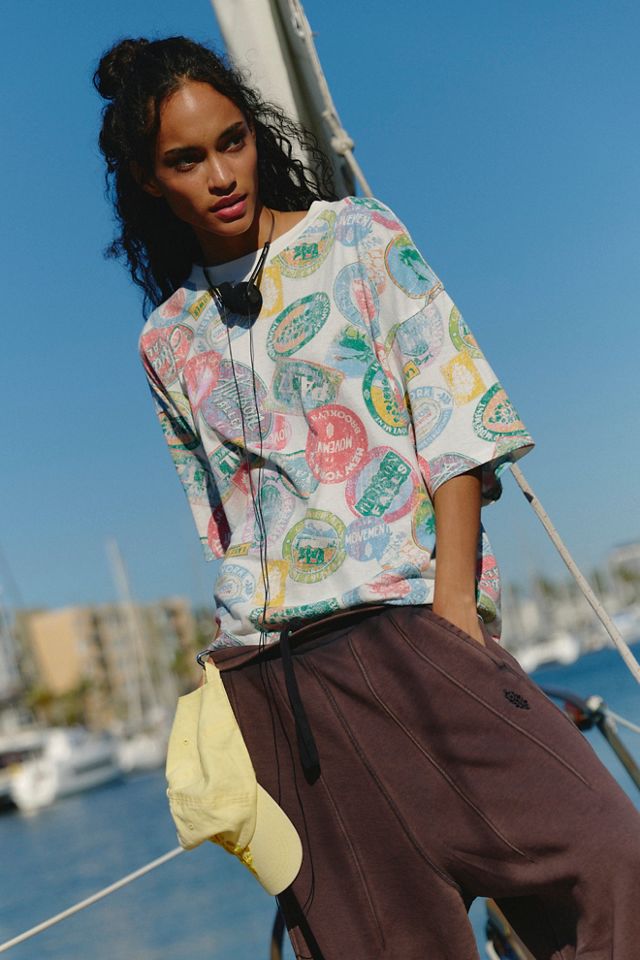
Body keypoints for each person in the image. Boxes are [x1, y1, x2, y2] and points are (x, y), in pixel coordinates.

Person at [95, 35, 640, 960]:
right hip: (279, 690)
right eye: (186, 160)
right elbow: (221, 525)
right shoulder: (167, 339)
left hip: (414, 631)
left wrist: (454, 616)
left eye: (232, 141)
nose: (221, 175)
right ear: (150, 181)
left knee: (612, 858)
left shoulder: (358, 238)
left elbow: (457, 422)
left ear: (255, 135)